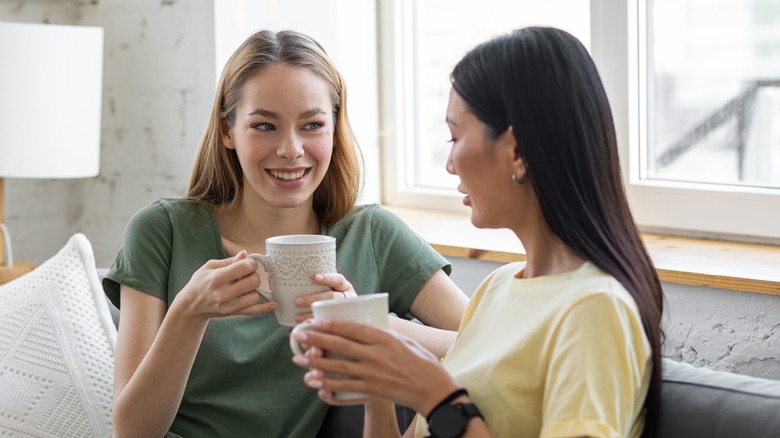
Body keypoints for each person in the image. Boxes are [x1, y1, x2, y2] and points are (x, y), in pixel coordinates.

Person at [291, 26, 665, 438]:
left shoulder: (594, 309)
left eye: (455, 136)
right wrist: (377, 389)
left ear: (517, 150)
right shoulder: (496, 289)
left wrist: (437, 396)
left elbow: (443, 406)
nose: (450, 163)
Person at [102, 29, 468, 438]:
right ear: (228, 130)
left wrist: (368, 323)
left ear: (333, 128)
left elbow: (493, 338)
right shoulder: (162, 232)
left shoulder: (372, 234)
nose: (291, 149)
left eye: (312, 124)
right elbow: (131, 431)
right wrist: (189, 312)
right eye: (264, 126)